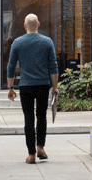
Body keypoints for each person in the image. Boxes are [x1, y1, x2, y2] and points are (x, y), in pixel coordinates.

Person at [7, 13, 59, 164]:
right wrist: (55, 87)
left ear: (25, 26)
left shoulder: (17, 43)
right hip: (43, 85)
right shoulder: (47, 42)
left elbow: (11, 67)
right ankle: (40, 147)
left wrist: (10, 87)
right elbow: (53, 66)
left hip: (26, 86)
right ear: (38, 24)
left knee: (28, 119)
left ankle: (31, 155)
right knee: (41, 116)